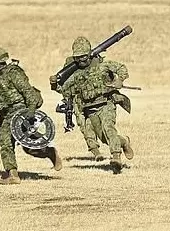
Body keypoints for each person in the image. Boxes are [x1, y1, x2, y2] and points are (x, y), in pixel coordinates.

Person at [56, 36, 135, 172]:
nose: (81, 60)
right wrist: (54, 84)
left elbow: (121, 68)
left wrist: (119, 80)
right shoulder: (75, 73)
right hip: (88, 108)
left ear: (89, 54)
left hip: (106, 103)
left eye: (84, 57)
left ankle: (116, 157)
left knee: (108, 128)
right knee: (104, 138)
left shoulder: (101, 65)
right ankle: (124, 142)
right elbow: (65, 90)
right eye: (77, 57)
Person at [0, 47, 62, 185]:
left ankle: (15, 173)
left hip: (20, 112)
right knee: (17, 145)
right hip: (8, 114)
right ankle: (45, 154)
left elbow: (28, 92)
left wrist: (31, 111)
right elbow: (5, 97)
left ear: (1, 62)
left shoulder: (14, 73)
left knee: (16, 144)